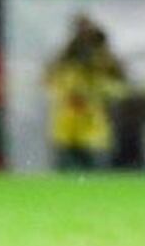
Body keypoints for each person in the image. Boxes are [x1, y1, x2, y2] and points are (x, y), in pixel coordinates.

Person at [46, 15, 127, 170]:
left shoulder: (105, 60)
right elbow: (50, 81)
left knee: (96, 180)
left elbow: (119, 86)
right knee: (67, 181)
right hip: (67, 129)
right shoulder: (66, 59)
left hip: (94, 131)